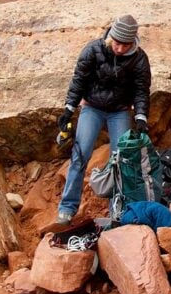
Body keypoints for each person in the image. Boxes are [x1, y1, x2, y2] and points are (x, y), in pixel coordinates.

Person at [55, 14, 151, 225]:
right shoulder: (93, 49)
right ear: (111, 38)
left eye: (125, 45)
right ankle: (67, 207)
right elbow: (78, 80)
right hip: (92, 107)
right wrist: (68, 110)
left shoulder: (139, 59)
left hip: (119, 111)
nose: (119, 49)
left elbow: (141, 90)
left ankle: (117, 209)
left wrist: (141, 117)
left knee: (121, 160)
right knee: (81, 154)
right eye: (117, 43)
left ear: (132, 42)